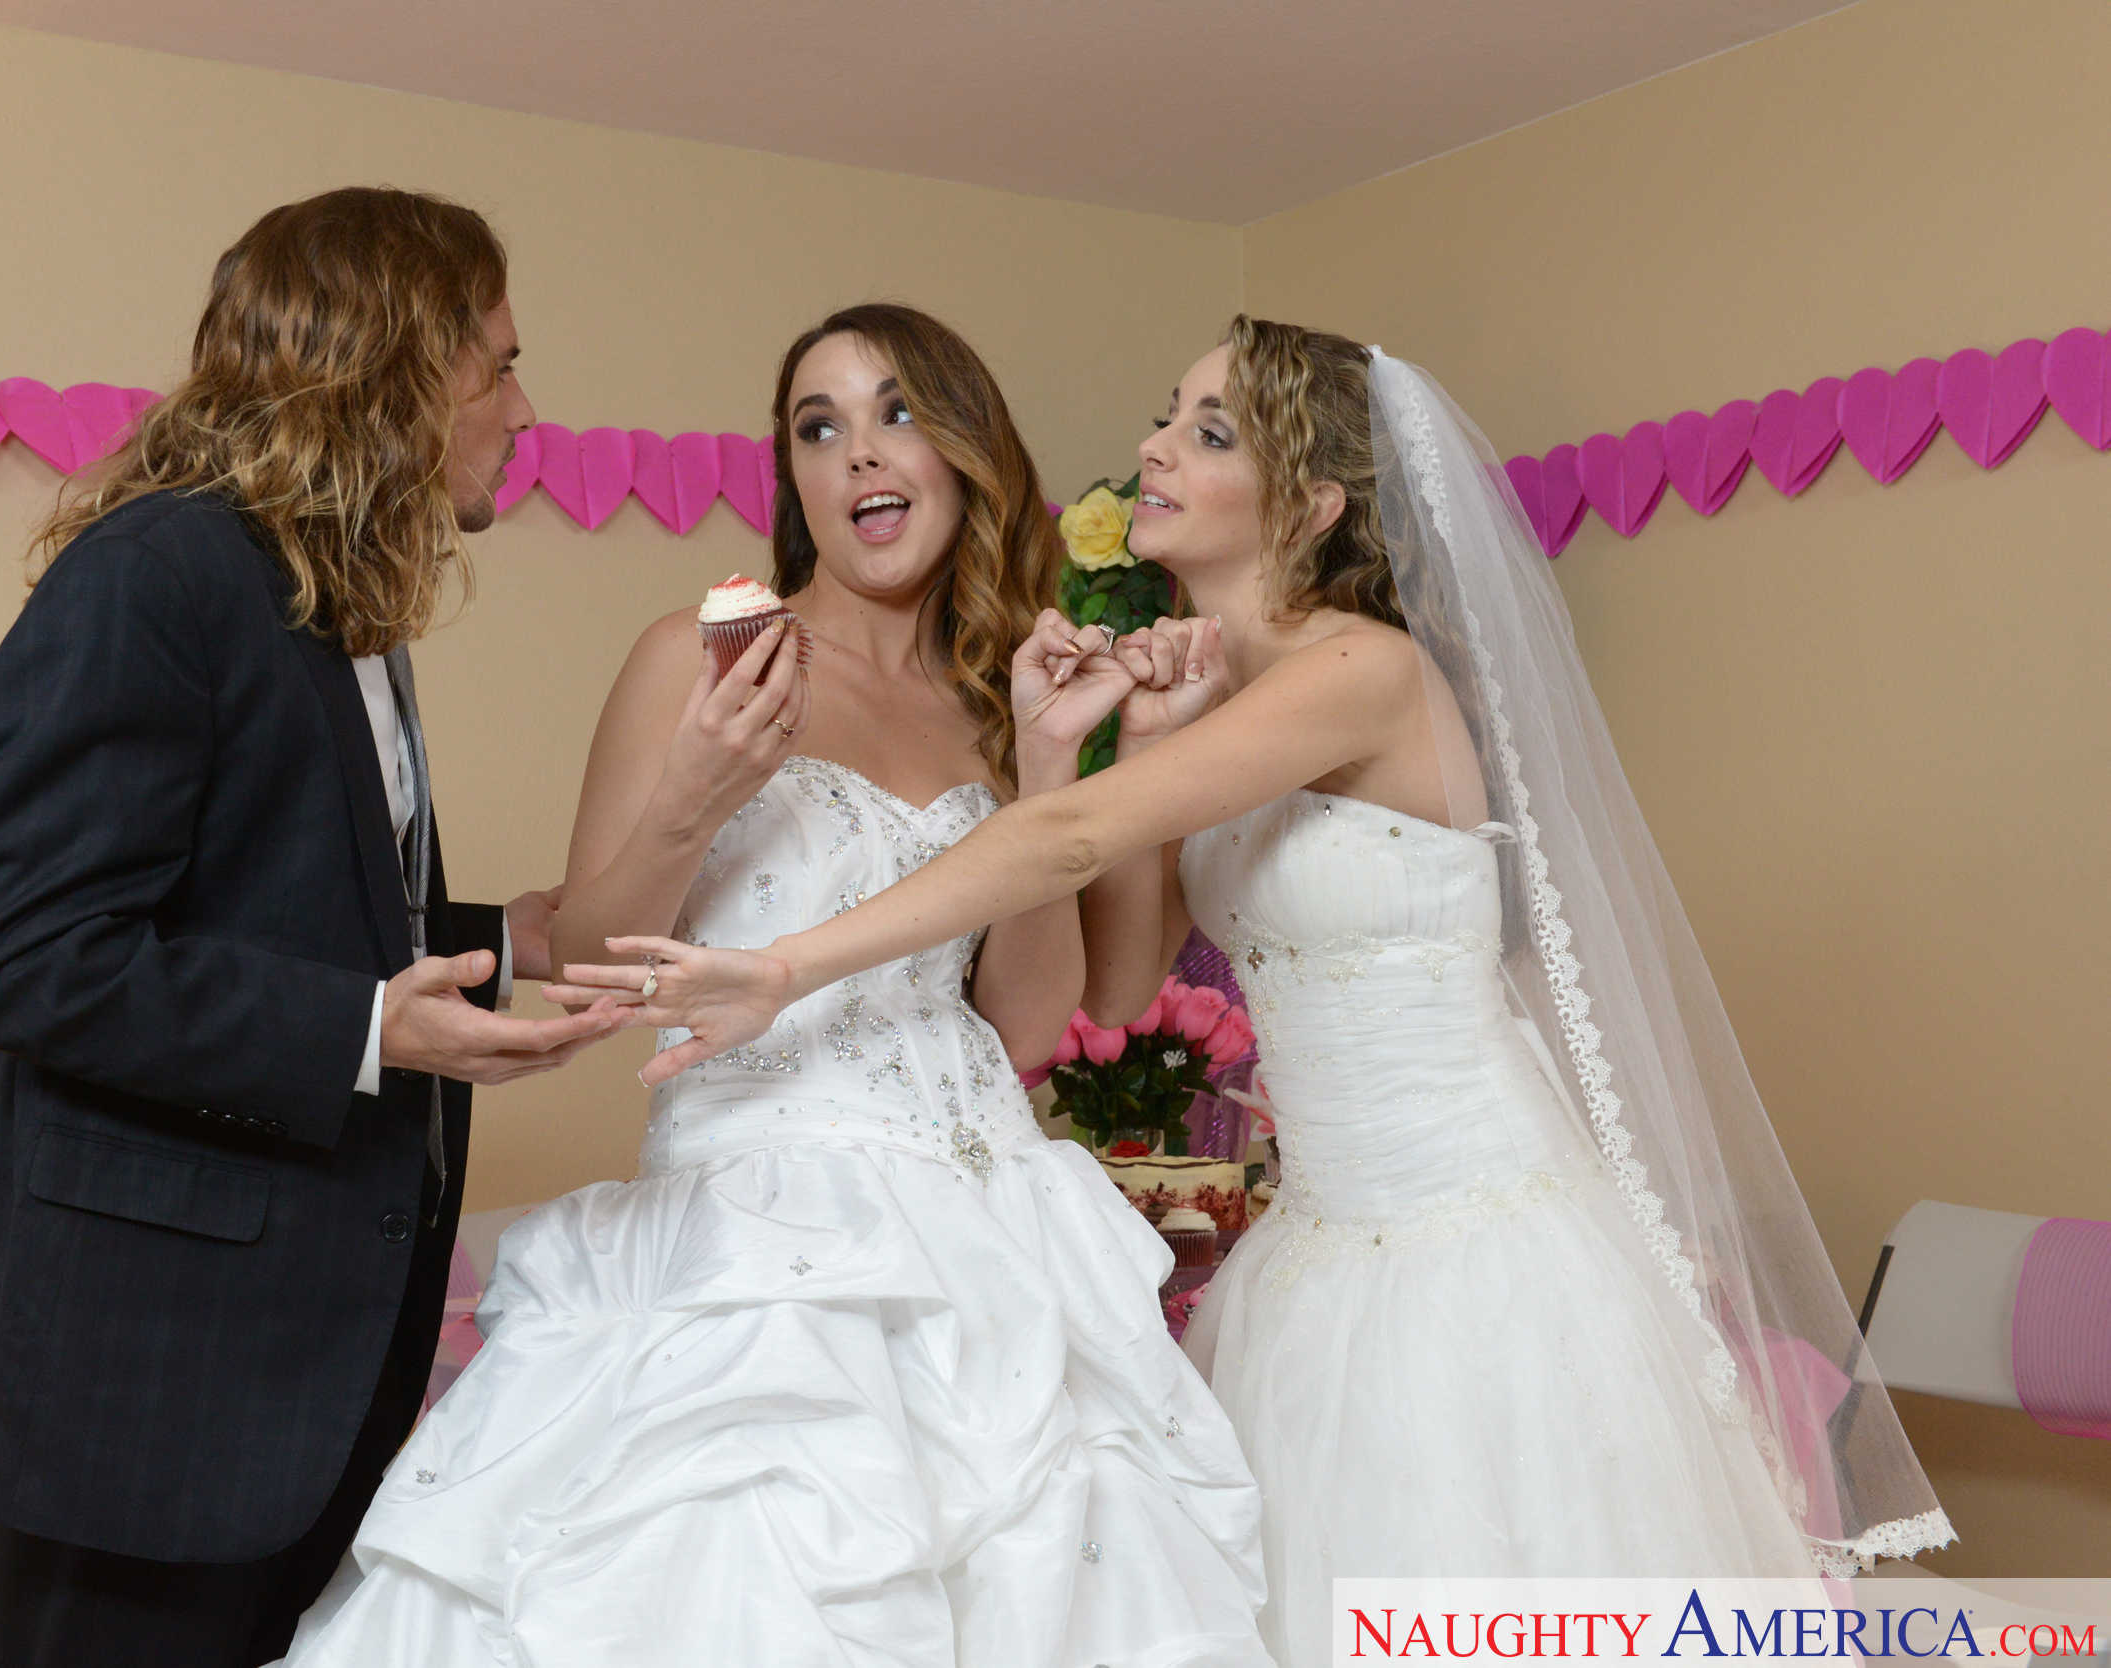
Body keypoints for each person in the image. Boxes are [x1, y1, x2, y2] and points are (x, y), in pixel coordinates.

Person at [564, 318, 1955, 1661]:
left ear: (1313, 505)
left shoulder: (1364, 671)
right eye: (1167, 417)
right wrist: (1144, 741)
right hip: (1321, 1256)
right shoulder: (1229, 699)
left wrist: (790, 967)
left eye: (1210, 431)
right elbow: (1126, 971)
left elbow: (1066, 838)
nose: (1154, 449)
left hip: (1474, 1232)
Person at [277, 303, 1273, 1667]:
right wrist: (695, 791)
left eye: (896, 414)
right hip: (754, 1239)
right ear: (795, 479)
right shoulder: (696, 659)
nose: (858, 452)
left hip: (992, 1241)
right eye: (818, 427)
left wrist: (1047, 768)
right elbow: (596, 958)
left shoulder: (997, 696)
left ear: (966, 454)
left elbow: (1025, 1027)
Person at [0, 187, 628, 1668]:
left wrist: (500, 939)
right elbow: (24, 956)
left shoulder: (333, 602)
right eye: (500, 367)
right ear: (395, 375)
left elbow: (268, 906)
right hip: (153, 1399)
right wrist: (372, 1029)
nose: (525, 411)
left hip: (293, 1389)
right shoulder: (155, 576)